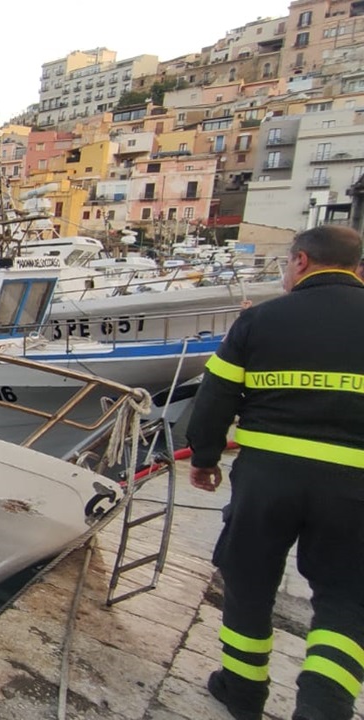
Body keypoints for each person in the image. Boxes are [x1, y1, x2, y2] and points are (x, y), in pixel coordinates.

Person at [187, 224, 364, 720]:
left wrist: (203, 458)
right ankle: (324, 706)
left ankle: (242, 689)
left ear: (302, 261)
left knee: (249, 579)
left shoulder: (261, 321)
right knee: (346, 596)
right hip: (355, 488)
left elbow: (216, 395)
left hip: (267, 479)